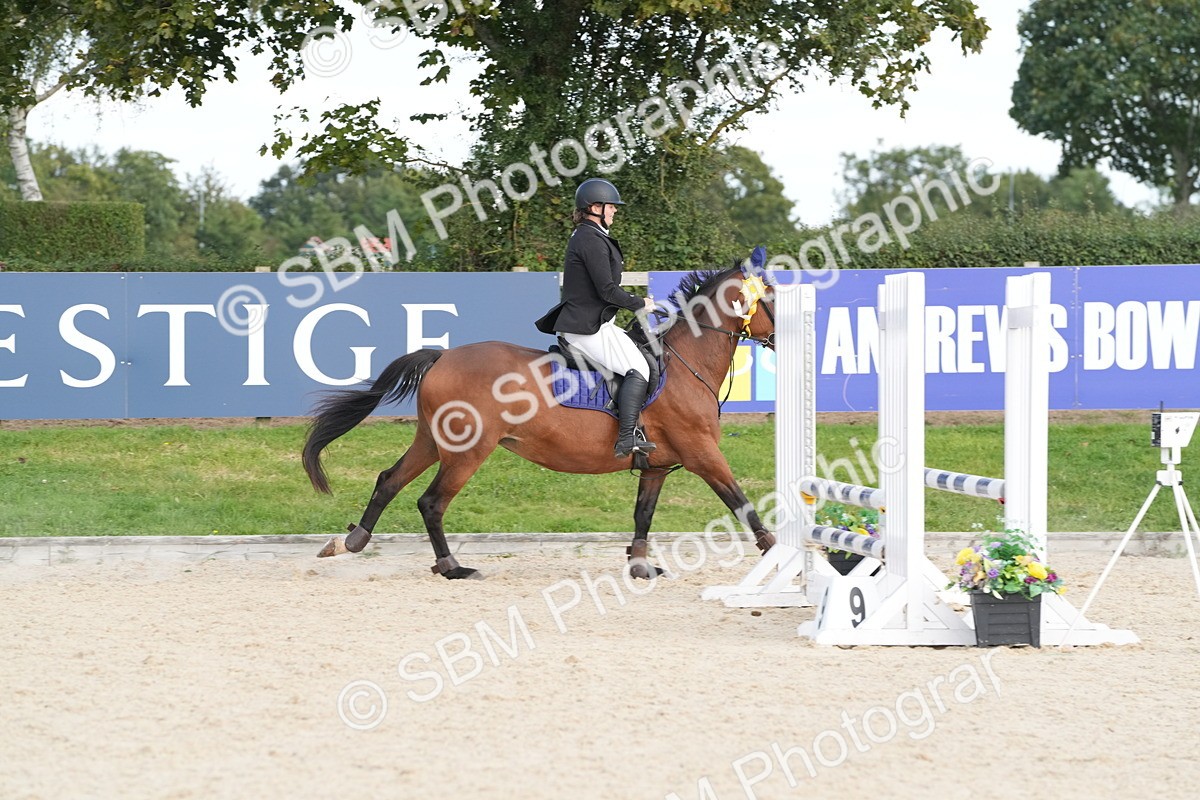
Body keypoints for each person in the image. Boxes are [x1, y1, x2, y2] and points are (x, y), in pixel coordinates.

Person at [535, 178, 657, 459]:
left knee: (642, 357)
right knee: (638, 369)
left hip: (597, 323)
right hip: (586, 327)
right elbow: (607, 290)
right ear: (594, 207)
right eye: (611, 206)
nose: (614, 211)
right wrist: (640, 303)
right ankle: (626, 438)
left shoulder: (592, 235)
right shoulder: (589, 238)